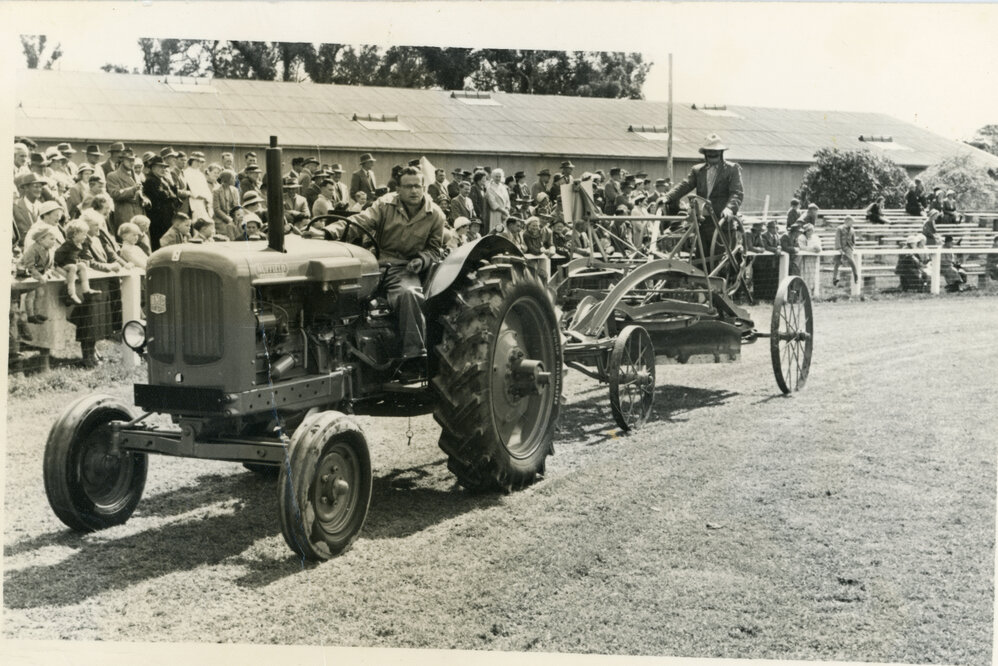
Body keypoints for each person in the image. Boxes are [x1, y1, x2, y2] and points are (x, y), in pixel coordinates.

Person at [326, 166, 444, 370]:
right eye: (408, 187)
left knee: (409, 294)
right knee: (340, 290)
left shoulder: (435, 215)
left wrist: (421, 260)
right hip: (376, 262)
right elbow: (360, 221)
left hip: (405, 267)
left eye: (418, 186)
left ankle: (414, 357)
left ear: (424, 187)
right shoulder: (384, 204)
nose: (414, 191)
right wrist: (329, 232)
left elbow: (435, 250)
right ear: (398, 189)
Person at [661, 133, 744, 243]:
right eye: (709, 151)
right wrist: (667, 197)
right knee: (702, 257)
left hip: (722, 221)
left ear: (721, 152)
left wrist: (729, 208)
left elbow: (737, 192)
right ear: (704, 153)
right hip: (703, 221)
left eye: (715, 151)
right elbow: (685, 185)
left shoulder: (732, 169)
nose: (712, 154)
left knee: (723, 256)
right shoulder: (698, 170)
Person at [18, 223, 59, 323]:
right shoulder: (33, 250)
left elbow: (49, 266)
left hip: (39, 275)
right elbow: (29, 266)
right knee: (31, 294)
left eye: (54, 239)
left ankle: (37, 313)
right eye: (51, 239)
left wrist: (48, 273)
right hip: (27, 274)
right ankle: (30, 315)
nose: (54, 242)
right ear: (41, 240)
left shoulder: (50, 251)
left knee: (40, 293)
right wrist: (40, 276)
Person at [54, 219, 99, 305]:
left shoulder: (79, 244)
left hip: (71, 265)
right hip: (63, 265)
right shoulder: (67, 245)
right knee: (73, 267)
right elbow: (57, 257)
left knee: (82, 265)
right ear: (75, 234)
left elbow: (76, 257)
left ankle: (86, 290)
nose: (85, 237)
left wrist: (81, 261)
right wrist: (57, 267)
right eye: (83, 235)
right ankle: (71, 293)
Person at [143, 155, 180, 251]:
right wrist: (170, 194)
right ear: (153, 168)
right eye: (160, 167)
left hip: (166, 216)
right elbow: (162, 196)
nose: (163, 169)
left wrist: (171, 186)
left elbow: (174, 193)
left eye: (164, 167)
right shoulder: (150, 181)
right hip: (158, 219)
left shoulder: (164, 179)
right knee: (159, 243)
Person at [106, 150, 146, 235]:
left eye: (133, 160)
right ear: (122, 160)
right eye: (128, 160)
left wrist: (145, 199)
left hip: (139, 213)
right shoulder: (113, 176)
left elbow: (140, 193)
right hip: (125, 213)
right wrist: (132, 189)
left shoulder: (136, 175)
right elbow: (115, 194)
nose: (131, 163)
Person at [832, 215, 858, 287]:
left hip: (848, 248)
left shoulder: (852, 230)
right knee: (837, 263)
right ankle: (834, 278)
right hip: (840, 247)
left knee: (851, 261)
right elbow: (837, 238)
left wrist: (852, 246)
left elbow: (853, 240)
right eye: (851, 222)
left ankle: (856, 276)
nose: (852, 223)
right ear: (847, 221)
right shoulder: (840, 228)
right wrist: (839, 248)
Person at [485, 168, 511, 233]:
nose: (498, 178)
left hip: (505, 214)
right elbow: (492, 203)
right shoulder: (490, 188)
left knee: (505, 231)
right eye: (496, 176)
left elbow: (507, 200)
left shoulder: (503, 187)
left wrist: (507, 210)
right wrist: (503, 211)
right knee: (496, 230)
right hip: (496, 213)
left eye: (499, 177)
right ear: (493, 177)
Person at [799, 223, 823, 290]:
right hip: (804, 258)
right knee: (804, 274)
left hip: (813, 258)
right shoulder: (801, 237)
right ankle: (804, 290)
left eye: (811, 230)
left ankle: (812, 290)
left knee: (813, 274)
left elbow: (819, 247)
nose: (810, 232)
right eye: (808, 230)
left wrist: (817, 249)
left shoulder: (816, 237)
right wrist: (812, 249)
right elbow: (801, 247)